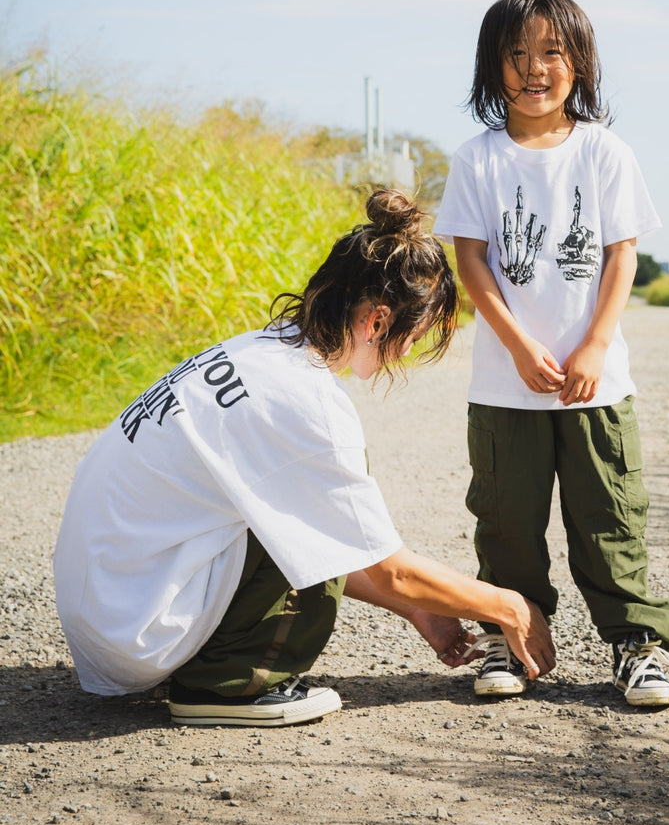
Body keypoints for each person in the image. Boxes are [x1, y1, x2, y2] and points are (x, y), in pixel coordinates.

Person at [54, 188, 555, 728]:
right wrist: (508, 605)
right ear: (377, 322)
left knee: (304, 514)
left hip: (112, 608)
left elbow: (347, 554)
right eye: (413, 337)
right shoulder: (305, 403)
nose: (407, 354)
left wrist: (418, 610)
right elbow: (389, 569)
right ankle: (229, 688)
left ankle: (210, 661)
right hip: (137, 627)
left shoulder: (256, 350)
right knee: (310, 513)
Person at [433, 0, 669, 706]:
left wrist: (596, 344)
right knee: (507, 524)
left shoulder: (604, 152)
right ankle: (507, 642)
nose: (533, 68)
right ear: (491, 67)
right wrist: (513, 343)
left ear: (579, 64)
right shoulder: (476, 158)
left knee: (609, 517)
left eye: (551, 51)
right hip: (505, 388)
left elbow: (622, 253)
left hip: (593, 386)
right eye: (516, 54)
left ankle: (635, 646)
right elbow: (472, 259)